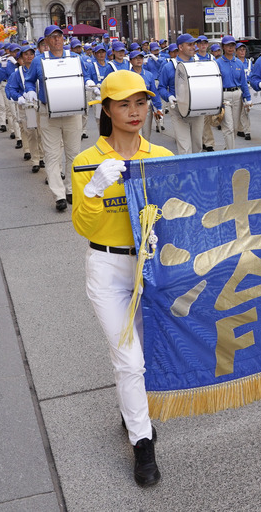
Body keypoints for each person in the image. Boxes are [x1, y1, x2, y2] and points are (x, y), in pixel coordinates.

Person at [70, 69, 173, 488]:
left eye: (141, 102)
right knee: (129, 360)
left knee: (142, 358)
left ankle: (131, 412)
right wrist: (94, 189)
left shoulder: (162, 156)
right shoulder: (86, 162)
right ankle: (142, 444)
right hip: (108, 268)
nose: (135, 112)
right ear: (107, 110)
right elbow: (83, 226)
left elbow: (178, 214)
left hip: (150, 267)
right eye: (124, 104)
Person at [22, 25, 90, 211]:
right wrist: (30, 91)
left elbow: (85, 75)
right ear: (46, 41)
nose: (57, 39)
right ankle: (59, 195)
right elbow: (29, 80)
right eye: (52, 37)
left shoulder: (74, 58)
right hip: (48, 112)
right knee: (52, 155)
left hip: (72, 111)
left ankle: (71, 189)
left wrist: (89, 82)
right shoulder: (39, 60)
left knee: (73, 153)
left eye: (59, 36)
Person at [160, 34, 204, 154]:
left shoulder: (199, 64)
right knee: (185, 148)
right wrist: (168, 96)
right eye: (189, 45)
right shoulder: (169, 66)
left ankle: (196, 166)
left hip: (197, 109)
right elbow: (161, 87)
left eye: (194, 44)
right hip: (178, 110)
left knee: (197, 146)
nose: (193, 47)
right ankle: (186, 166)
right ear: (180, 47)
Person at [7, 44, 44, 171]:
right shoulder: (17, 73)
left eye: (31, 54)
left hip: (40, 104)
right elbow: (11, 89)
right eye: (26, 54)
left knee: (42, 132)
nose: (29, 56)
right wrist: (19, 97)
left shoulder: (40, 69)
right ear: (21, 57)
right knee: (32, 133)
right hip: (27, 107)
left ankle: (42, 156)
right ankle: (35, 160)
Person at [215, 36, 251, 150]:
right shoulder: (217, 63)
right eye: (228, 45)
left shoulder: (239, 63)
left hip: (237, 95)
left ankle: (228, 148)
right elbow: (215, 83)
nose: (230, 48)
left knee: (235, 127)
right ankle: (231, 153)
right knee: (228, 127)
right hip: (224, 96)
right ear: (223, 47)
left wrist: (248, 98)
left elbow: (243, 82)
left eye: (232, 45)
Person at [236, 42, 253, 141]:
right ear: (236, 52)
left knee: (245, 110)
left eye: (244, 49)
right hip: (238, 88)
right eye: (240, 50)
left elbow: (253, 75)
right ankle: (240, 128)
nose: (242, 51)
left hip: (248, 88)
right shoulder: (235, 62)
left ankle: (247, 131)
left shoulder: (249, 62)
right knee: (238, 110)